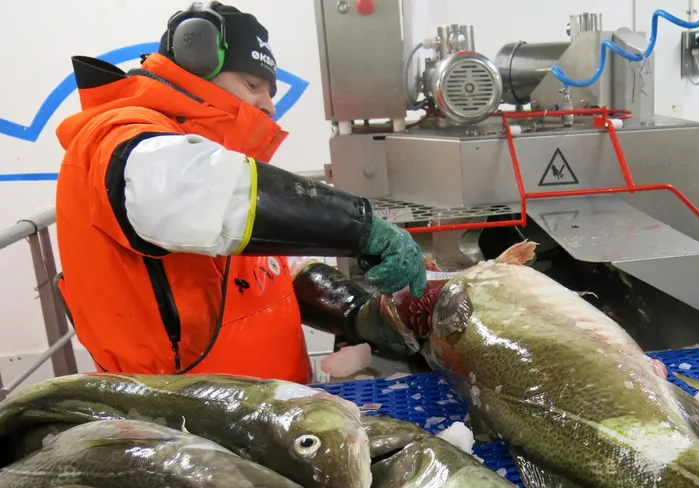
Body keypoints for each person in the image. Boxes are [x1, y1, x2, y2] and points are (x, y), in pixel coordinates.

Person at [53, 1, 426, 385]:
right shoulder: (117, 138)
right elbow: (201, 193)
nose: (269, 104)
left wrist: (357, 312)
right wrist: (361, 230)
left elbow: (273, 272)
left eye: (270, 91)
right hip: (186, 427)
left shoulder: (220, 170)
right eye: (252, 85)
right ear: (194, 58)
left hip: (275, 417)